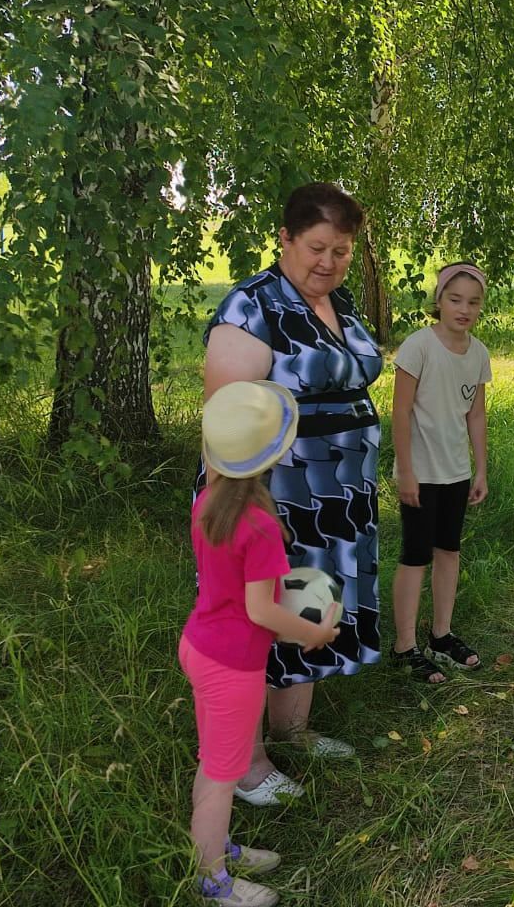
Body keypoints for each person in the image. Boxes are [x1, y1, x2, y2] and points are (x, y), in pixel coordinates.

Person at [202, 182, 382, 805]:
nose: (328, 262)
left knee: (312, 603)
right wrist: (247, 509)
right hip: (276, 500)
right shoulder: (252, 308)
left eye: (341, 250)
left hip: (340, 499)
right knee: (261, 620)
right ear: (284, 238)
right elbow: (227, 424)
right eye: (315, 248)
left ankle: (293, 732)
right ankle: (247, 765)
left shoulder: (339, 301)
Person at [181, 381, 339, 906]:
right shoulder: (259, 525)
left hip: (200, 646)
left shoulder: (207, 502)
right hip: (233, 665)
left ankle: (216, 844)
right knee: (221, 774)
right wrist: (315, 633)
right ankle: (212, 879)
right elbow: (260, 610)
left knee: (213, 760)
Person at [390, 262, 491, 681]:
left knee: (449, 550)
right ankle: (404, 645)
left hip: (456, 471)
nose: (463, 309)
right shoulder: (419, 347)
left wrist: (480, 469)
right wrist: (406, 472)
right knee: (416, 555)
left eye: (473, 302)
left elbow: (477, 416)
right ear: (439, 300)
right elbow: (400, 411)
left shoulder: (479, 353)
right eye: (455, 299)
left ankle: (441, 635)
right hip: (421, 472)